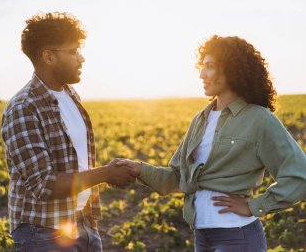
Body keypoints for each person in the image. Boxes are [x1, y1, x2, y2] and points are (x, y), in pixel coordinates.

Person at [117, 35, 306, 252]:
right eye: (202, 66)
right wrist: (139, 168)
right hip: (202, 236)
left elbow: (299, 175)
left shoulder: (259, 119)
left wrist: (254, 206)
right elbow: (178, 178)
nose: (201, 74)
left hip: (238, 236)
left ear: (232, 69)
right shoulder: (200, 119)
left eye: (210, 67)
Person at [1, 12, 138, 252]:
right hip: (43, 233)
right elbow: (45, 185)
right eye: (73, 51)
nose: (81, 58)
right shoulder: (23, 108)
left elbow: (76, 165)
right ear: (48, 57)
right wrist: (105, 174)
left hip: (82, 224)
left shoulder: (71, 96)